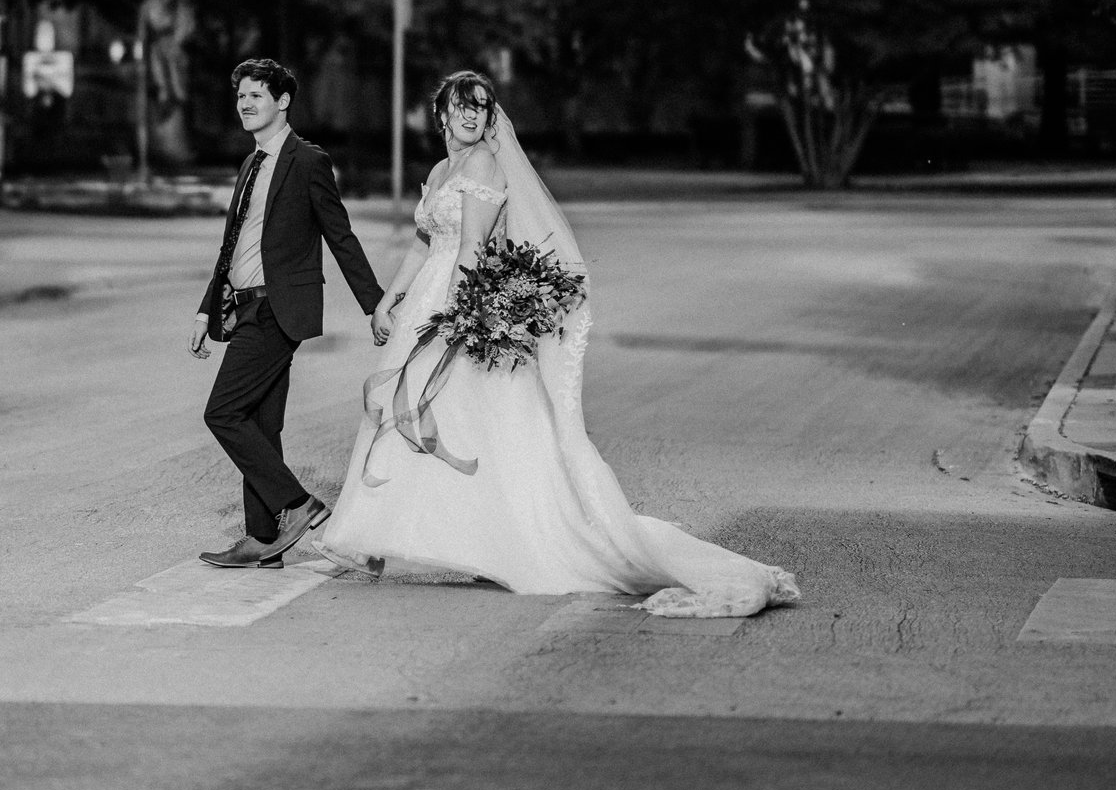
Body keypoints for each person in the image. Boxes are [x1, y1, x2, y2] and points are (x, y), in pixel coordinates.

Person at [315, 71, 799, 617]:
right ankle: (377, 535)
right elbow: (424, 244)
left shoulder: (482, 164)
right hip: (428, 299)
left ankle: (467, 538)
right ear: (442, 114)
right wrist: (390, 300)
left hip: (457, 301)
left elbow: (472, 247)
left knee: (462, 424)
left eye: (481, 106)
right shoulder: (439, 170)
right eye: (462, 105)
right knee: (415, 416)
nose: (471, 114)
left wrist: (457, 315)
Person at [190, 59, 385, 569]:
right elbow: (232, 246)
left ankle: (297, 505)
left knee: (222, 412)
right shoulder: (250, 163)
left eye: (256, 95)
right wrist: (206, 310)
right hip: (243, 306)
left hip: (278, 309)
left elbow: (340, 236)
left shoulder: (307, 161)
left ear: (282, 102)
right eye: (241, 96)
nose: (245, 104)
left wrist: (375, 303)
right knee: (261, 423)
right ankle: (263, 540)